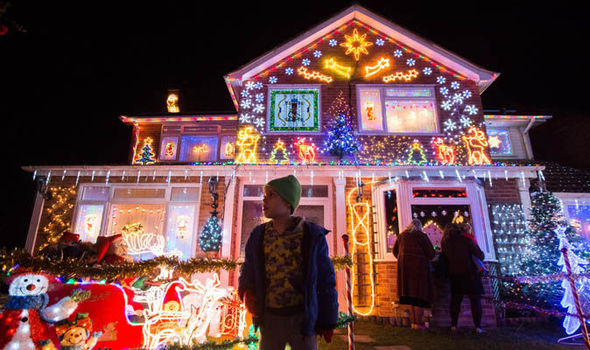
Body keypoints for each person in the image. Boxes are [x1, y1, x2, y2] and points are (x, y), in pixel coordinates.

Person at [238, 175, 338, 350]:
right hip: (269, 318)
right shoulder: (259, 235)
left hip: (302, 319)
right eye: (264, 195)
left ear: (287, 201)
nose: (264, 199)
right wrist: (246, 291)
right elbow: (248, 269)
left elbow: (326, 280)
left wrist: (328, 320)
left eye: (271, 195)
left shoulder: (311, 236)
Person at [441, 224, 486, 334]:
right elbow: (480, 255)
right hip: (470, 274)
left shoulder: (446, 244)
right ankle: (478, 327)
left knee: (455, 301)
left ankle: (454, 325)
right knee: (475, 301)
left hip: (455, 275)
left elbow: (445, 260)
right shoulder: (466, 240)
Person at [393, 219, 435, 329]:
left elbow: (395, 251)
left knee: (410, 297)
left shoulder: (402, 236)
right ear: (420, 227)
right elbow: (431, 254)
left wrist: (402, 258)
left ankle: (413, 323)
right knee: (419, 297)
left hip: (405, 270)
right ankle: (418, 323)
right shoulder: (422, 236)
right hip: (419, 270)